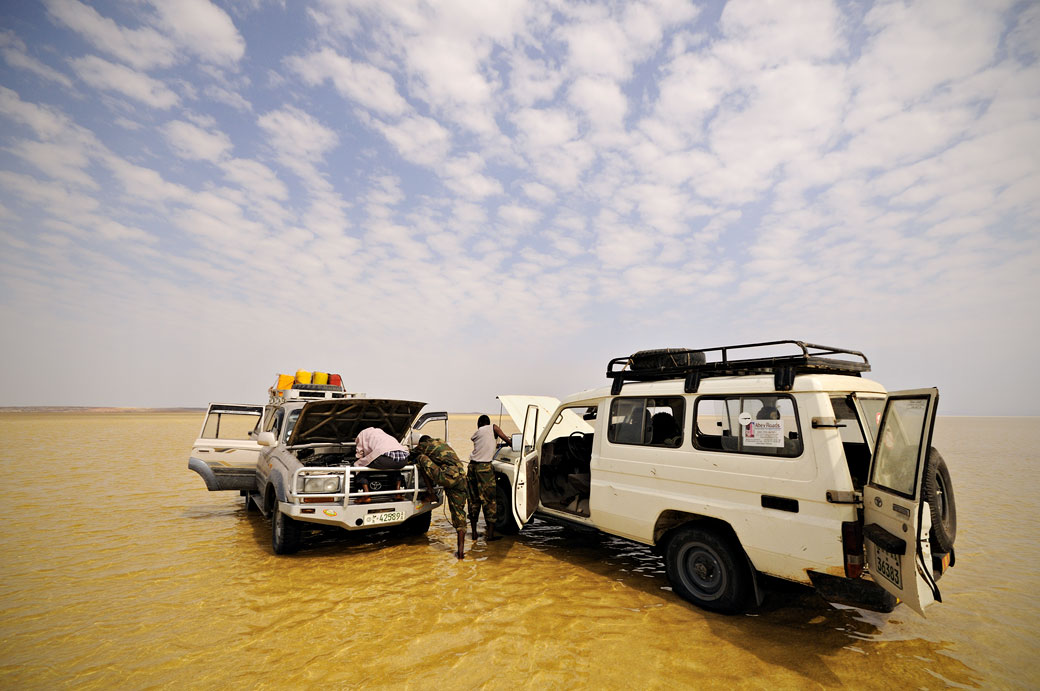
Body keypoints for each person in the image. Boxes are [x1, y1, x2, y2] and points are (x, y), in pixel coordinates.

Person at [409, 435, 469, 559]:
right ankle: (461, 553)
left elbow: (409, 456)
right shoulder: (442, 443)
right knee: (459, 516)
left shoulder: (424, 445)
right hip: (462, 477)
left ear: (422, 442)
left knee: (420, 459)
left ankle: (431, 494)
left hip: (447, 476)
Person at [468, 414, 510, 541]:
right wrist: (511, 443)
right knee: (489, 500)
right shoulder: (493, 427)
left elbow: (485, 445)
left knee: (473, 500)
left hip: (471, 468)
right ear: (488, 423)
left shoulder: (476, 434)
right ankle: (490, 535)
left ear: (479, 425)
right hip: (484, 469)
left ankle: (474, 533)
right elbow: (505, 439)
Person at [354, 426, 408, 500]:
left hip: (384, 459)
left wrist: (358, 458)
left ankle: (366, 495)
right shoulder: (385, 435)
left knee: (360, 466)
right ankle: (398, 493)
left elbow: (359, 453)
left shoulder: (362, 434)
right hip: (403, 460)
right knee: (394, 469)